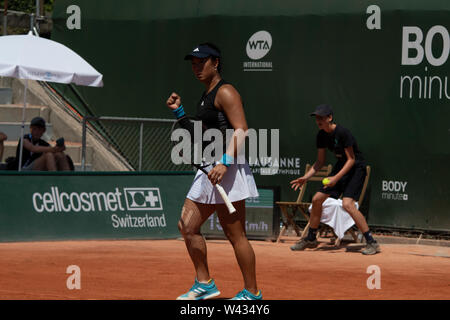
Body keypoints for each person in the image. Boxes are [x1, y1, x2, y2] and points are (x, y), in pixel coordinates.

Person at [166, 43, 262, 300]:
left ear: (216, 63)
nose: (196, 68)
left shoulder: (226, 91)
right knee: (187, 225)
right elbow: (202, 133)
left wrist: (225, 162)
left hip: (225, 169)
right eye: (194, 64)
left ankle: (252, 293)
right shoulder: (205, 95)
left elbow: (241, 129)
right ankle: (205, 282)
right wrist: (180, 112)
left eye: (202, 62)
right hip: (209, 167)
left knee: (235, 234)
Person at [290, 104, 380, 255]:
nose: (318, 120)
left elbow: (351, 160)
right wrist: (305, 177)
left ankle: (372, 242)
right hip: (340, 167)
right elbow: (320, 162)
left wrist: (335, 178)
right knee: (317, 199)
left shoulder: (343, 133)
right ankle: (311, 238)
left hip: (356, 168)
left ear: (330, 118)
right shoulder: (321, 135)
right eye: (316, 117)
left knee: (348, 204)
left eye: (321, 117)